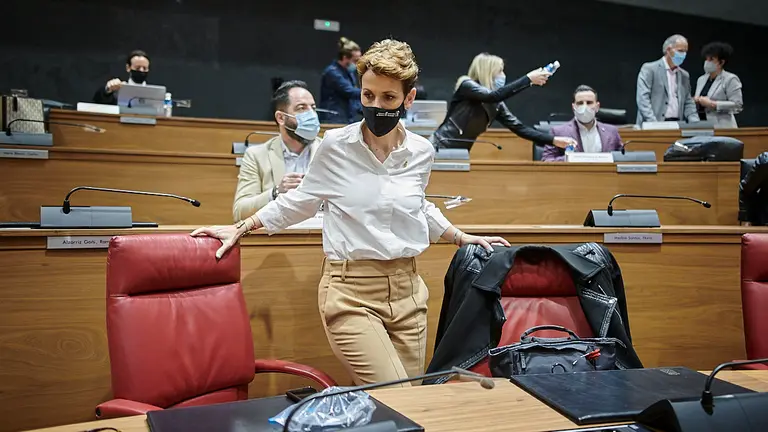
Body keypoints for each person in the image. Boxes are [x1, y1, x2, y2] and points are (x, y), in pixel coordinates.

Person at [191, 38, 510, 386]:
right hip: (351, 293)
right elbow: (301, 200)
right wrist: (243, 226)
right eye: (367, 95)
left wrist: (460, 236)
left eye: (388, 98)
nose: (376, 105)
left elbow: (417, 204)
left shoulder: (420, 151)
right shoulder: (335, 146)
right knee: (397, 395)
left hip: (409, 293)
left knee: (413, 403)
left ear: (409, 98)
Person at [430, 53, 575, 151]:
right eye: (500, 71)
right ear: (487, 71)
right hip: (439, 147)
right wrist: (528, 80)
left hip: (460, 153)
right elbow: (493, 96)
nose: (503, 76)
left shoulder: (496, 106)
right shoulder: (467, 86)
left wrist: (553, 140)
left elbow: (520, 128)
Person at [232, 80, 321, 221]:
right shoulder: (257, 155)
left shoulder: (330, 151)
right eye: (301, 108)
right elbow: (240, 212)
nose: (311, 115)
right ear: (281, 117)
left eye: (313, 108)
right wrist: (276, 192)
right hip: (280, 237)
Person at [542, 85, 623, 162]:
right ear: (573, 107)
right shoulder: (558, 132)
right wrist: (571, 159)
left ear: (597, 106)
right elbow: (547, 161)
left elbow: (622, 158)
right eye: (580, 103)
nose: (585, 107)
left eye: (589, 103)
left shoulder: (612, 132)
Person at [636, 34, 699, 125]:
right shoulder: (649, 69)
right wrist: (654, 124)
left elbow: (688, 102)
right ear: (669, 50)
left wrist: (696, 124)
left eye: (685, 51)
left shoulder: (684, 75)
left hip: (677, 123)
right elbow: (643, 99)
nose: (683, 55)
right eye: (680, 51)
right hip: (653, 123)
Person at [694, 42, 743, 128]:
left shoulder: (730, 79)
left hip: (722, 126)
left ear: (721, 62)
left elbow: (737, 105)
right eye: (706, 59)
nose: (707, 62)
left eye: (711, 59)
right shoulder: (701, 79)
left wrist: (713, 104)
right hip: (702, 125)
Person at [319, 37, 363, 124]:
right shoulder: (332, 72)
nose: (357, 64)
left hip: (347, 117)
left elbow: (352, 98)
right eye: (355, 60)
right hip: (333, 118)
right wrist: (371, 92)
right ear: (345, 57)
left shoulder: (348, 73)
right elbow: (349, 91)